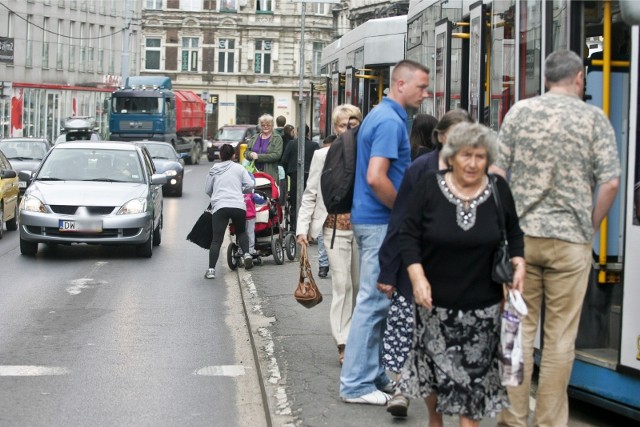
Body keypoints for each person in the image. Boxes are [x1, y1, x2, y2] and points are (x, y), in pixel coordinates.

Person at [494, 50, 621, 427]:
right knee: (560, 337)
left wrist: (505, 228)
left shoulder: (520, 112)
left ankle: (514, 417)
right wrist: (589, 225)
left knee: (517, 330)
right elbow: (611, 182)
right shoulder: (594, 119)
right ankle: (549, 421)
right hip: (571, 242)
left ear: (545, 78)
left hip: (522, 242)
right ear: (580, 78)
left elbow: (498, 173)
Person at [398, 122, 525, 426]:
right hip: (434, 306)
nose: (472, 163)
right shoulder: (429, 186)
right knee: (433, 376)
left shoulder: (498, 189)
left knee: (473, 387)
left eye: (480, 157)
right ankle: (435, 420)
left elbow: (514, 232)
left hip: (484, 308)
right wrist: (417, 277)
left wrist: (519, 262)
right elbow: (409, 235)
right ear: (452, 156)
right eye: (466, 155)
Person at [340, 59, 430, 406]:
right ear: (401, 84)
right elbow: (377, 177)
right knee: (374, 302)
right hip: (380, 221)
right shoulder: (392, 122)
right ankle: (356, 385)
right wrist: (405, 212)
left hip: (371, 219)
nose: (426, 93)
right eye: (421, 87)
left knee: (377, 301)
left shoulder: (379, 115)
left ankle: (372, 374)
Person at [377, 109, 473, 417]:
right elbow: (401, 218)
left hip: (460, 270)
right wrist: (389, 270)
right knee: (408, 330)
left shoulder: (476, 168)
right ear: (441, 136)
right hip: (417, 266)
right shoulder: (420, 168)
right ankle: (402, 391)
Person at [296, 103, 363, 365]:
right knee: (342, 285)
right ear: (336, 128)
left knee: (358, 287)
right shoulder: (323, 156)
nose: (349, 129)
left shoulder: (366, 153)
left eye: (353, 124)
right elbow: (311, 193)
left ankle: (357, 337)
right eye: (344, 124)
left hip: (362, 231)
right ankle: (343, 342)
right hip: (333, 229)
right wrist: (302, 229)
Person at [205, 144, 255, 279]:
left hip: (220, 206)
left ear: (220, 155)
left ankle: (211, 271)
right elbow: (250, 185)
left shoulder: (214, 169)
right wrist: (241, 191)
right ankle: (246, 254)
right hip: (238, 205)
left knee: (216, 240)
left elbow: (208, 190)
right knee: (241, 232)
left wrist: (216, 197)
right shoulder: (239, 168)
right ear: (234, 155)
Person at [280, 124, 318, 232]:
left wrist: (289, 171)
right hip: (311, 175)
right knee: (310, 201)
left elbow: (284, 160)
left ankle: (295, 227)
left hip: (294, 175)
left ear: (297, 132)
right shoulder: (314, 145)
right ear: (308, 132)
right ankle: (309, 230)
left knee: (295, 202)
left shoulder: (292, 144)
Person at [244, 114, 284, 182]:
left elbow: (276, 155)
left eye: (268, 125)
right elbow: (246, 153)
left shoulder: (277, 138)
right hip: (254, 174)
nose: (266, 127)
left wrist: (258, 157)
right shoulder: (254, 138)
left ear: (272, 125)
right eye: (263, 125)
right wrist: (250, 154)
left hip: (270, 174)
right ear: (260, 126)